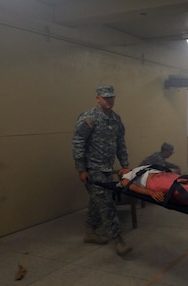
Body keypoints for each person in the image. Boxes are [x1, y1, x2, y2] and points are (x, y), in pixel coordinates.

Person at [72, 84, 133, 257]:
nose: (109, 100)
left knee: (96, 201)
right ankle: (119, 240)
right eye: (106, 97)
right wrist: (81, 169)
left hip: (108, 169)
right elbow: (78, 142)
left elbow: (121, 143)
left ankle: (89, 232)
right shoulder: (89, 118)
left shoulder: (116, 119)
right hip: (93, 169)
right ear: (98, 98)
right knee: (107, 204)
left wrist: (125, 164)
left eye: (112, 97)